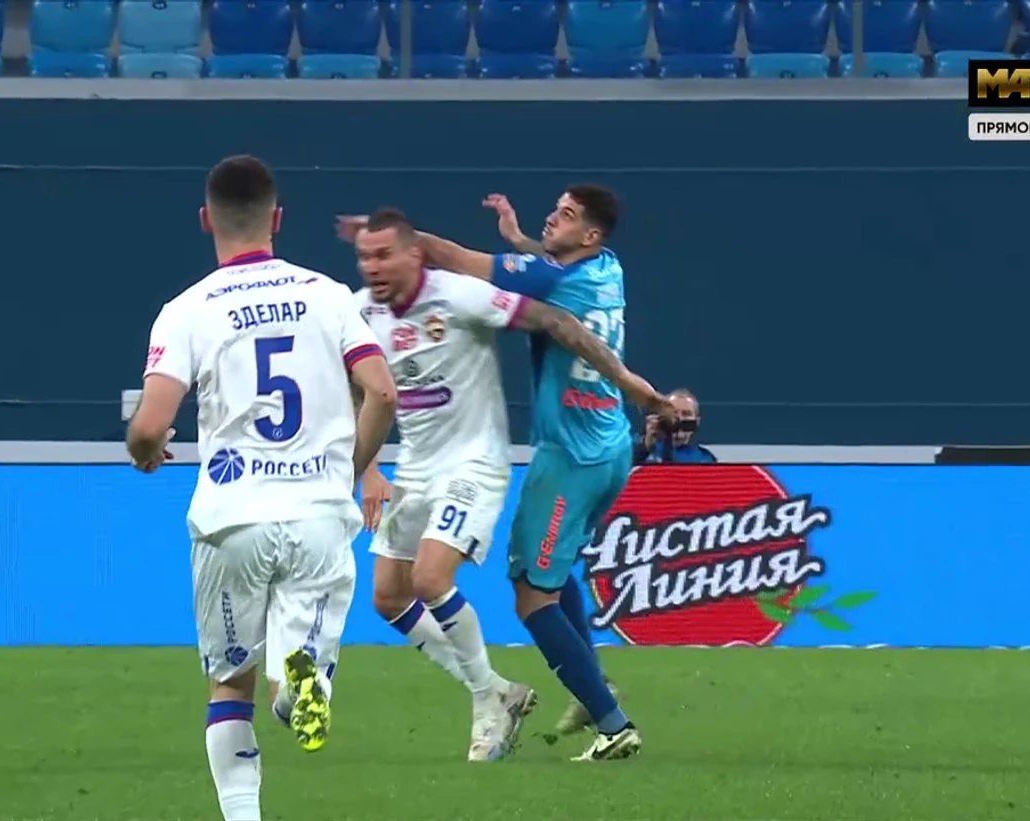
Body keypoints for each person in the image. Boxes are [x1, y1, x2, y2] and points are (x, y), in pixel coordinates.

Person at [338, 185, 670, 761]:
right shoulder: (604, 268)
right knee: (392, 596)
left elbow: (490, 275)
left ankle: (601, 719)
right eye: (365, 257)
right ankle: (577, 688)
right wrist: (366, 468)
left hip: (545, 455)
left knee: (514, 591)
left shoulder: (476, 293)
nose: (552, 219)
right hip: (580, 443)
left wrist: (633, 384)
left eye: (566, 215)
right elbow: (358, 383)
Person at [130, 155, 397, 821]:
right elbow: (382, 391)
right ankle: (299, 687)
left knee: (229, 687)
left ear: (206, 220)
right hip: (318, 515)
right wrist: (348, 469)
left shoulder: (187, 309)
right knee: (301, 668)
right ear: (277, 218)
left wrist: (146, 450)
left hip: (233, 518)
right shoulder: (330, 295)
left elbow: (151, 425)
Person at [634, 389, 718, 465]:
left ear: (697, 421)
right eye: (673, 413)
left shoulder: (704, 458)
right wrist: (645, 446)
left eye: (686, 414)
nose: (679, 418)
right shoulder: (637, 446)